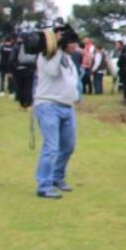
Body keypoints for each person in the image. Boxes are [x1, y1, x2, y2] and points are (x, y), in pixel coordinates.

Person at [33, 27, 81, 199]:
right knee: (51, 147)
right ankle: (44, 184)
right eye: (71, 43)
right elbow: (53, 72)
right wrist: (59, 50)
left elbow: (72, 80)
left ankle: (56, 177)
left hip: (67, 107)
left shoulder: (68, 59)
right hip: (48, 105)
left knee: (68, 146)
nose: (75, 46)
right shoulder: (46, 56)